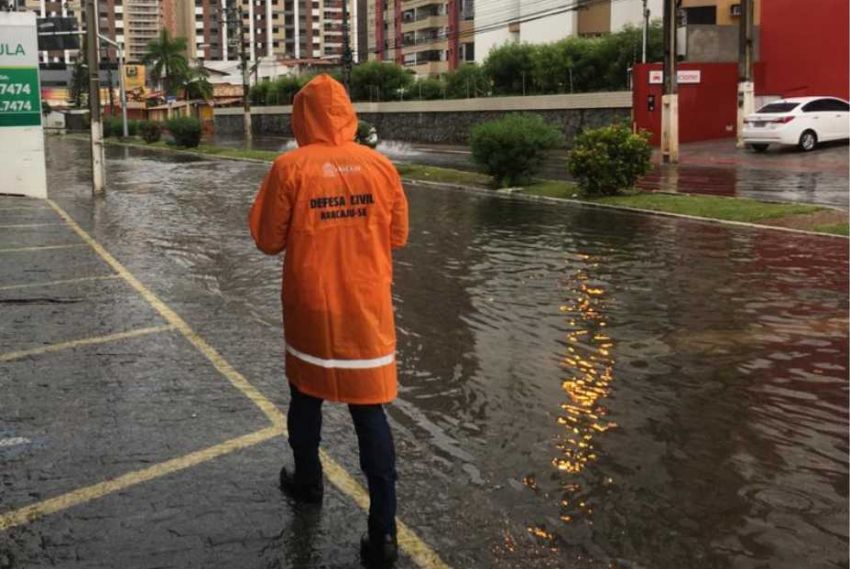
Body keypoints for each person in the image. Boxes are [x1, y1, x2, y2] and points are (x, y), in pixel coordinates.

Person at [248, 74, 409, 567]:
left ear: (301, 116)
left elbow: (267, 239)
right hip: (366, 309)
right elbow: (397, 235)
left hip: (311, 307)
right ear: (348, 113)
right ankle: (383, 533)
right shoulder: (381, 167)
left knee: (305, 395)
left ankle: (308, 481)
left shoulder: (288, 167)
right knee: (369, 411)